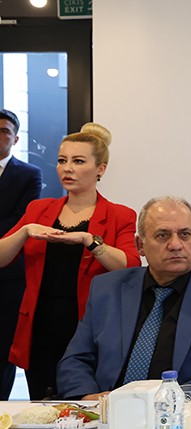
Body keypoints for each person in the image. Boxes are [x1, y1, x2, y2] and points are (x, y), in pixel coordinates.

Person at [57, 196, 191, 401]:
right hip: (109, 410)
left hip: (181, 412)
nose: (176, 245)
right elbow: (76, 359)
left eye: (185, 234)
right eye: (163, 235)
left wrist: (177, 399)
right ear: (140, 245)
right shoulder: (107, 289)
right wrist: (89, 398)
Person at [0, 122, 140, 400]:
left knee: (88, 409)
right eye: (62, 161)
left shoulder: (120, 215)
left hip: (91, 332)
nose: (67, 169)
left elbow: (130, 265)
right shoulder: (38, 209)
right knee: (42, 410)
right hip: (39, 331)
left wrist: (90, 241)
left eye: (78, 161)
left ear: (101, 169)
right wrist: (25, 231)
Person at [0, 109, 42, 400]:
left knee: (4, 347)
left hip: (9, 276)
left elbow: (19, 221)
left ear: (15, 139)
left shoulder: (29, 174)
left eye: (4, 131)